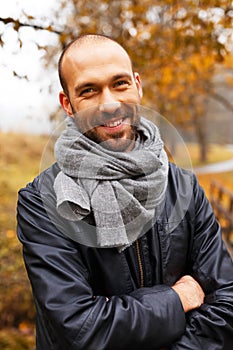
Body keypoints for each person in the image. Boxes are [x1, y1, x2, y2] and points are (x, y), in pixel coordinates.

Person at [17, 34, 233, 350]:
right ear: (68, 105)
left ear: (137, 85)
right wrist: (176, 299)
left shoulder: (184, 188)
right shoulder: (43, 202)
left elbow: (227, 303)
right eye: (89, 91)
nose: (109, 103)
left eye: (119, 84)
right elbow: (80, 329)